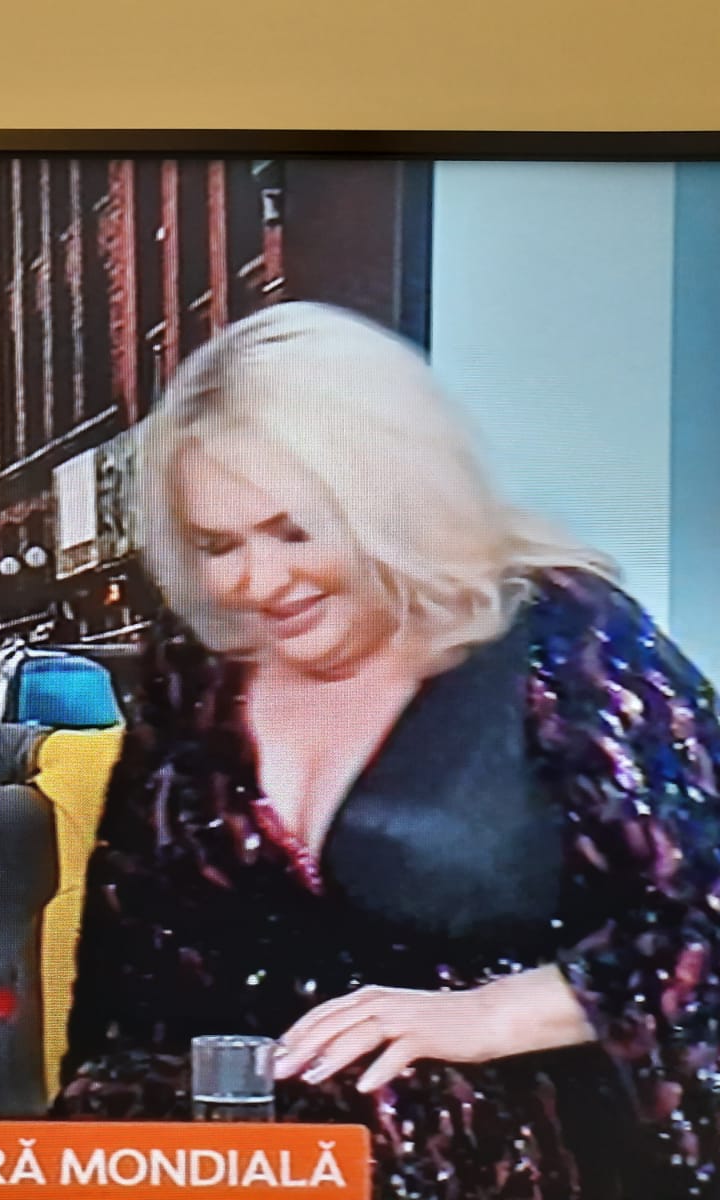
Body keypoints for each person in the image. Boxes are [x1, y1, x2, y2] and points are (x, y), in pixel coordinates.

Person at [52, 301, 720, 1199]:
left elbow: (702, 921)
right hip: (247, 1167)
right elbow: (123, 984)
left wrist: (487, 1016)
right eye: (217, 545)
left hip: (534, 1156)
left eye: (294, 531)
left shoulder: (563, 636)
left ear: (393, 502)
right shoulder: (193, 673)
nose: (259, 582)